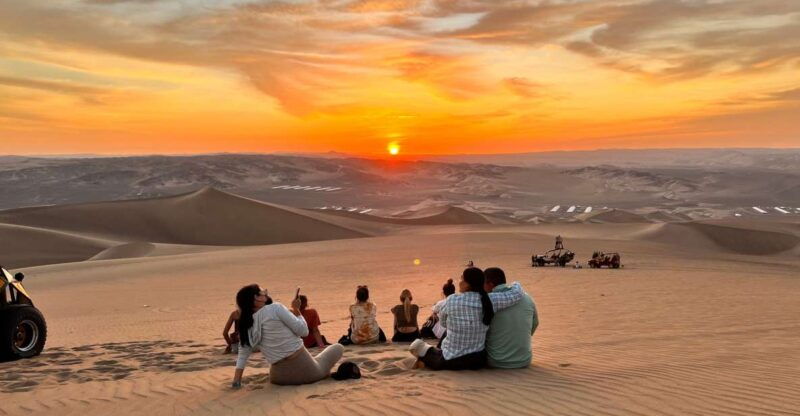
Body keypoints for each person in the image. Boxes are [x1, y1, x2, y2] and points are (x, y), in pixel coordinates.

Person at [408, 267, 524, 371]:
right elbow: (517, 294)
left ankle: (423, 360)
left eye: (462, 279)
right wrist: (515, 284)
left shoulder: (452, 300)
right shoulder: (490, 300)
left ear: (468, 284)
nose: (460, 282)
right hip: (477, 361)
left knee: (417, 345)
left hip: (451, 360)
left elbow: (443, 322)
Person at [232, 284, 344, 387]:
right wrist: (296, 310)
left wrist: (236, 382)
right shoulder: (275, 308)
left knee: (317, 359)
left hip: (278, 379)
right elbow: (303, 331)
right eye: (263, 292)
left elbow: (243, 355)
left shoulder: (246, 324)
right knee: (338, 347)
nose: (266, 293)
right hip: (307, 372)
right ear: (255, 299)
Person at [483, 267, 538, 369]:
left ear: (490, 284)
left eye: (483, 284)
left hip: (495, 361)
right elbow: (535, 323)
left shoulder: (489, 301)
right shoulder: (527, 297)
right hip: (524, 360)